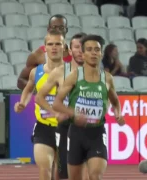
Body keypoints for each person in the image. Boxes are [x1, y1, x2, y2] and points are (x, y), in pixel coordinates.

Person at [52, 35, 126, 180]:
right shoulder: (74, 76)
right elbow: (57, 103)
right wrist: (74, 114)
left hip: (97, 134)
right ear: (83, 54)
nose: (93, 53)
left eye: (97, 50)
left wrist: (118, 114)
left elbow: (115, 102)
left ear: (101, 54)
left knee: (95, 175)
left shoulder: (107, 78)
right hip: (76, 134)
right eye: (89, 50)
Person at [35, 32, 90, 180]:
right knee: (61, 173)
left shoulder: (96, 74)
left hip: (83, 129)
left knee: (85, 173)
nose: (79, 51)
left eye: (82, 47)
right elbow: (39, 97)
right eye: (76, 47)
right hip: (63, 128)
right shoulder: (61, 73)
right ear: (70, 50)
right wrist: (57, 112)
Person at [14, 30, 66, 180]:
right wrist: (22, 103)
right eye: (50, 44)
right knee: (45, 169)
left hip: (66, 129)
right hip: (44, 127)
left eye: (58, 44)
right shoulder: (36, 72)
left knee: (61, 174)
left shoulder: (72, 72)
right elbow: (28, 89)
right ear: (45, 47)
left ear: (64, 47)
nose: (54, 47)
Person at [17, 14, 71, 90]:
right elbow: (21, 81)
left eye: (61, 27)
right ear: (48, 29)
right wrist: (41, 89)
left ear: (66, 30)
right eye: (54, 27)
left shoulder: (75, 54)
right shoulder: (38, 54)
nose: (58, 30)